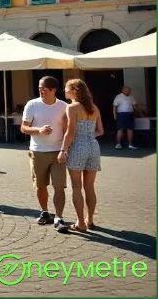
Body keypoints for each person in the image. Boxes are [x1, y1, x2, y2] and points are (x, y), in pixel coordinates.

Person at [21, 76, 70, 233]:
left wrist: (66, 148)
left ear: (54, 90)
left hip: (58, 152)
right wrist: (38, 130)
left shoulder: (63, 106)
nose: (41, 90)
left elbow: (68, 129)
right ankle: (44, 211)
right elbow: (23, 128)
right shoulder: (32, 105)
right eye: (40, 88)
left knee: (59, 186)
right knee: (40, 185)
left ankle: (59, 217)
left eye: (45, 88)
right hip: (38, 151)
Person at [59, 79, 104, 232]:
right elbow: (101, 131)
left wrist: (62, 150)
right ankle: (90, 220)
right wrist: (89, 136)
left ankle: (80, 223)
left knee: (76, 186)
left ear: (74, 90)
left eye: (66, 88)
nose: (64, 91)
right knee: (90, 187)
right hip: (93, 146)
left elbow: (70, 133)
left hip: (77, 146)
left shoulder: (72, 108)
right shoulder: (94, 107)